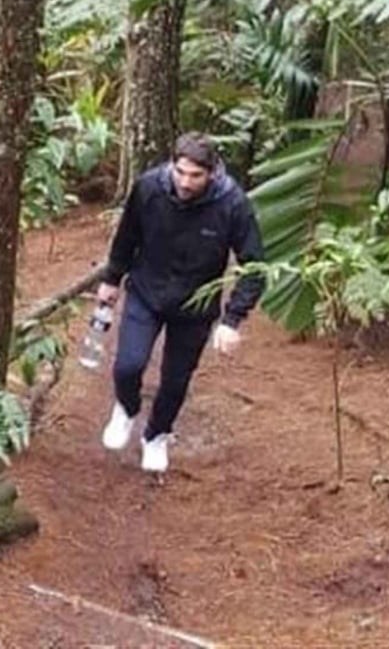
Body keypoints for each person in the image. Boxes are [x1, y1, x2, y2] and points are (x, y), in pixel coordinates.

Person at [97, 132, 265, 473]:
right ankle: (126, 409)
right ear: (172, 165)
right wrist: (112, 279)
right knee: (128, 366)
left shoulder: (232, 203)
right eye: (181, 172)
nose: (186, 183)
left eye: (196, 176)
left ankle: (156, 434)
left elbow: (254, 265)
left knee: (176, 379)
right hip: (146, 291)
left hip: (195, 306)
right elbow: (127, 235)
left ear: (213, 172)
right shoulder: (148, 188)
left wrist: (232, 320)